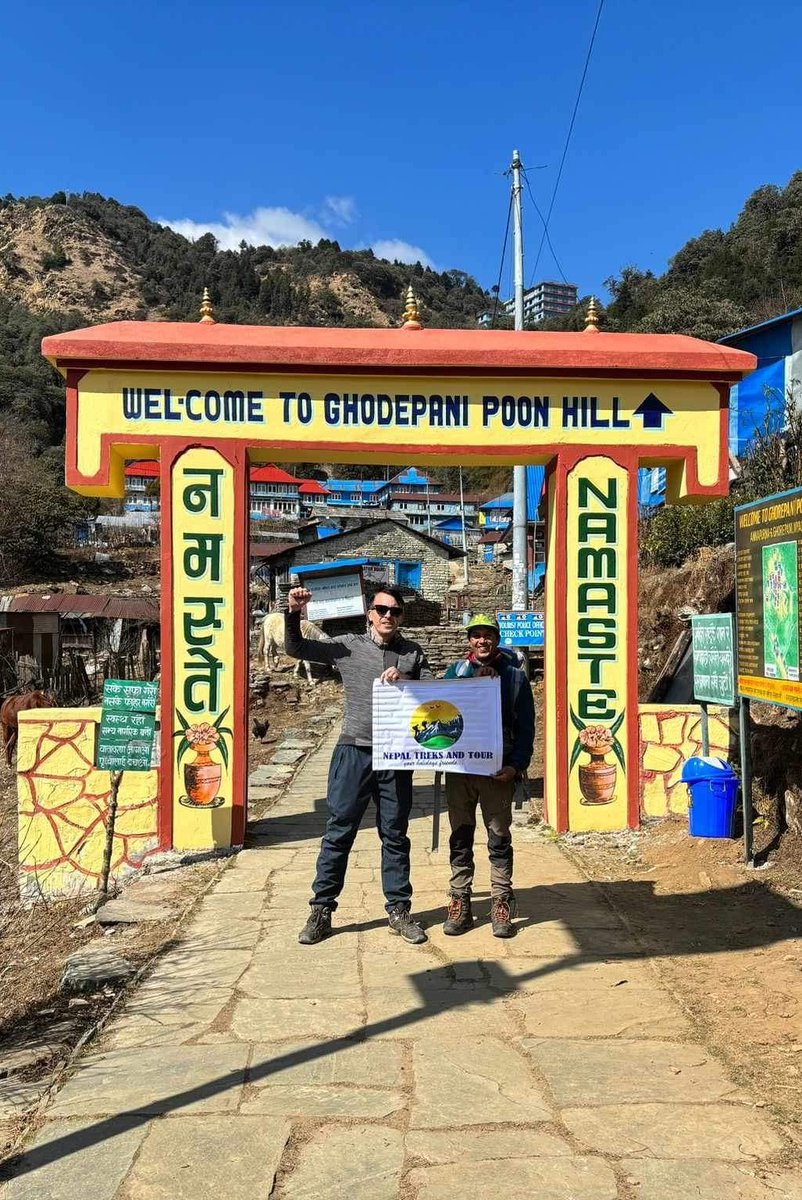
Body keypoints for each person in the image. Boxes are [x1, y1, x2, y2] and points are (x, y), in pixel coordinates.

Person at [285, 585, 433, 945]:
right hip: (355, 752)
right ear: (370, 613)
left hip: (396, 756)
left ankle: (399, 910)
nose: (387, 616)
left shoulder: (411, 653)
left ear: (401, 618)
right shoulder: (348, 645)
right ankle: (321, 910)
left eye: (395, 611)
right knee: (339, 830)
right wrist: (293, 614)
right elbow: (297, 648)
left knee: (395, 834)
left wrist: (408, 681)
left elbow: (434, 695)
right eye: (381, 609)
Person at [441, 613, 535, 938]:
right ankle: (460, 901)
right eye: (476, 635)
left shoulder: (514, 677)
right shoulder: (454, 673)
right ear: (469, 640)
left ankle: (501, 901)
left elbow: (526, 727)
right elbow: (437, 707)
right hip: (461, 770)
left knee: (498, 837)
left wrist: (517, 765)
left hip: (498, 770)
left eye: (488, 635)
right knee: (460, 837)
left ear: (497, 638)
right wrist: (472, 683)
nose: (482, 640)